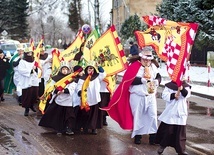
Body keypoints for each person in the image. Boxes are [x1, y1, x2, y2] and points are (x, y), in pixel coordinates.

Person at [101, 46, 161, 145]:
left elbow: (158, 76)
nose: (146, 61)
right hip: (137, 95)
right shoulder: (134, 66)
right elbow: (128, 80)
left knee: (152, 116)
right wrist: (141, 80)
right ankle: (138, 136)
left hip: (150, 95)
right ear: (141, 58)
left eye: (148, 59)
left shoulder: (153, 67)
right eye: (144, 59)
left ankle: (153, 137)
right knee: (138, 116)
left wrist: (157, 81)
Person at [39, 62, 83, 135]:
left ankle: (68, 128)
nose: (65, 71)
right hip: (59, 99)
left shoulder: (71, 79)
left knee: (69, 116)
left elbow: (72, 88)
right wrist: (56, 91)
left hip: (68, 100)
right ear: (60, 70)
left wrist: (64, 90)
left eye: (66, 69)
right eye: (63, 69)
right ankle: (58, 128)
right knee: (58, 115)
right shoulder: (55, 78)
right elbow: (52, 87)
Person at [155, 80, 191, 155]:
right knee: (168, 131)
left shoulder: (186, 86)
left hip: (180, 112)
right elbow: (164, 95)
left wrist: (182, 89)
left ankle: (181, 150)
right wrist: (173, 95)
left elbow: (187, 95)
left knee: (180, 133)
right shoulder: (169, 86)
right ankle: (162, 145)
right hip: (171, 111)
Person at [76, 61, 106, 135]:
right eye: (89, 68)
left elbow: (103, 74)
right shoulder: (82, 78)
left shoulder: (97, 77)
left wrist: (99, 66)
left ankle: (93, 128)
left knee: (94, 115)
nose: (91, 70)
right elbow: (78, 87)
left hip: (95, 99)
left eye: (92, 68)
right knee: (86, 114)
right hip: (86, 99)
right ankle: (85, 127)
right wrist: (80, 92)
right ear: (86, 69)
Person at [17, 47, 39, 116]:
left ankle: (31, 105)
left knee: (34, 94)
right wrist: (30, 71)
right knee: (27, 95)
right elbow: (21, 70)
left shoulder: (34, 61)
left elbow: (38, 68)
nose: (29, 54)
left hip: (34, 80)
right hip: (27, 80)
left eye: (30, 53)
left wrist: (37, 70)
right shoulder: (22, 61)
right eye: (28, 53)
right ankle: (27, 108)